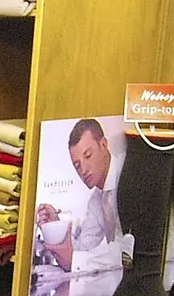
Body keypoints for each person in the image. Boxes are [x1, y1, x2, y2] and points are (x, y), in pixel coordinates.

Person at [35, 118, 127, 276]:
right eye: (77, 165)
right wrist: (57, 225)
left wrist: (76, 261)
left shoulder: (128, 177)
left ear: (103, 145)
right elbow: (85, 248)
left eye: (88, 155)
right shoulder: (96, 200)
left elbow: (127, 251)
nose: (83, 170)